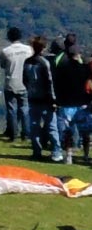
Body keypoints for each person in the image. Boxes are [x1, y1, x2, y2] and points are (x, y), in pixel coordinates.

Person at [53, 35, 92, 165]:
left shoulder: (61, 69)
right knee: (85, 132)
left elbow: (57, 85)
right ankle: (86, 155)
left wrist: (57, 100)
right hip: (81, 103)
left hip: (65, 103)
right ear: (78, 54)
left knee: (67, 131)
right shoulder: (84, 69)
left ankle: (68, 155)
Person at [25, 36, 61, 162]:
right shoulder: (45, 63)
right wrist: (53, 100)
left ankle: (36, 150)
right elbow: (49, 83)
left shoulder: (27, 62)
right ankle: (56, 151)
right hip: (46, 99)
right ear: (44, 48)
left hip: (32, 97)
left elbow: (25, 80)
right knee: (52, 126)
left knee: (34, 126)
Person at [1, 26, 32, 143]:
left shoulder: (6, 51)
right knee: (25, 108)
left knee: (11, 109)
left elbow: (3, 65)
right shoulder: (29, 50)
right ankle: (26, 134)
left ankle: (13, 134)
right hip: (25, 82)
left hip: (10, 83)